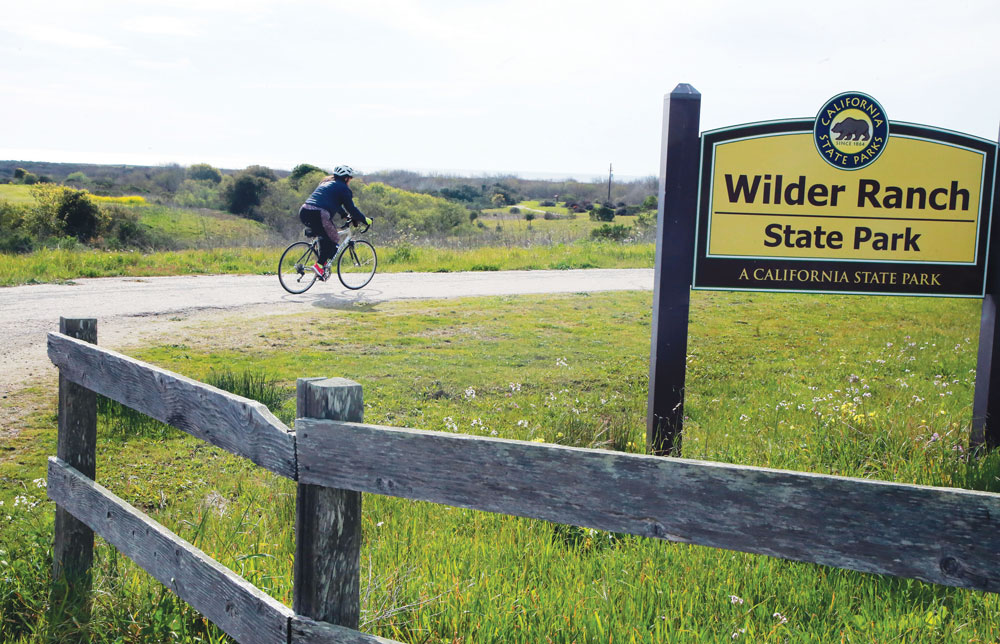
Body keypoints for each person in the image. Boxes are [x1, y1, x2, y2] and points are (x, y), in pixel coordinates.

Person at [298, 165, 370, 280]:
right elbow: (352, 208)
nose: (350, 181)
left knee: (325, 236)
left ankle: (321, 269)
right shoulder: (343, 188)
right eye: (350, 178)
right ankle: (319, 266)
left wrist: (345, 216)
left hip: (304, 211)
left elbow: (335, 205)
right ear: (346, 178)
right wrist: (364, 219)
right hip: (318, 213)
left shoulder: (326, 183)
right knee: (335, 238)